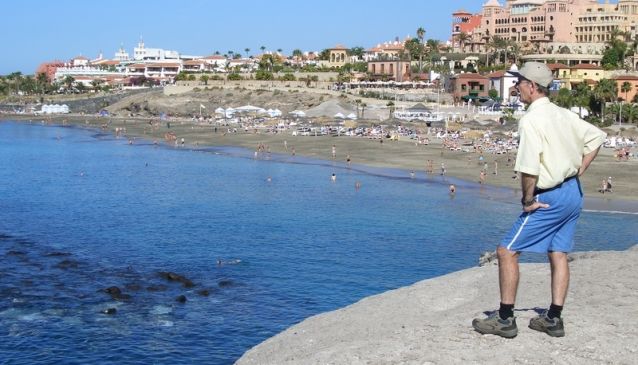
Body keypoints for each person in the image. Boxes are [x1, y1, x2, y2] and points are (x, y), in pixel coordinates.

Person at [472, 62, 606, 339]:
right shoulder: (564, 114)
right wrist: (578, 170)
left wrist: (527, 200)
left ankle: (506, 319)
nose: (516, 87)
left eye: (519, 82)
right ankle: (553, 319)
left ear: (532, 86)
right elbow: (596, 138)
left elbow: (529, 169)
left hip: (550, 196)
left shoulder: (532, 120)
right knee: (558, 253)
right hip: (572, 192)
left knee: (506, 251)